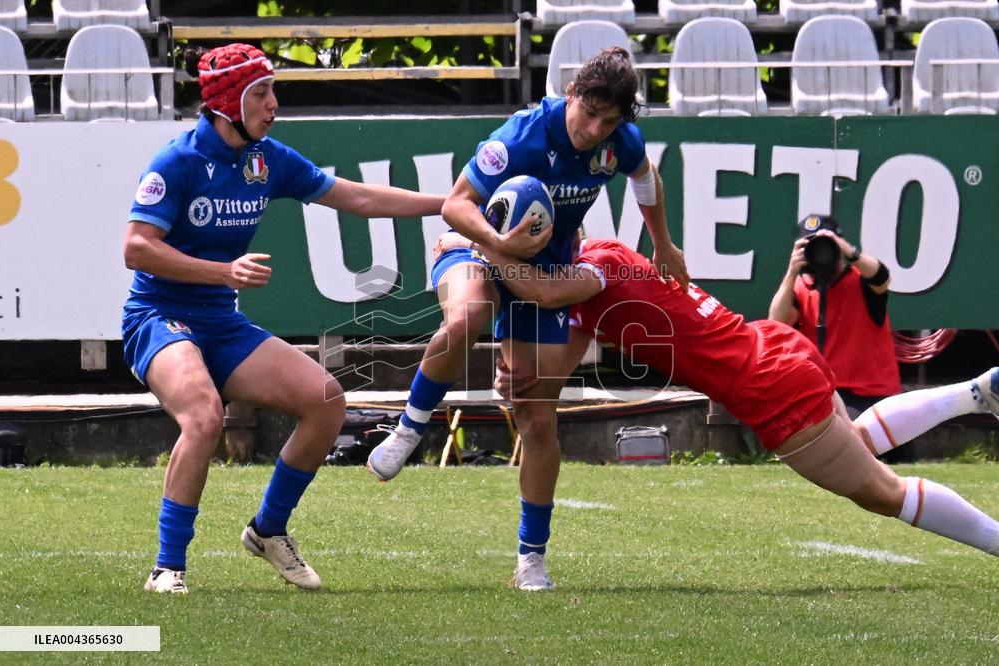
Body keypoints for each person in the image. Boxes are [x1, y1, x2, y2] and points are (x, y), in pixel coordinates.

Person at [463, 234, 999, 568]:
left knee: (883, 492)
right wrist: (525, 382)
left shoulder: (585, 278)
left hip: (765, 384)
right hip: (773, 344)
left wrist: (482, 248)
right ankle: (974, 393)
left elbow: (550, 291)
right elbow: (555, 367)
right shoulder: (606, 255)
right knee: (855, 443)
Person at [123, 43, 445, 594]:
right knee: (203, 416)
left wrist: (451, 204)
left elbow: (359, 198)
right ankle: (167, 568)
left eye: (272, 90)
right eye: (261, 93)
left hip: (221, 325)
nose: (274, 104)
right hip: (159, 316)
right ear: (228, 104)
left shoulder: (266, 159)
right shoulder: (176, 162)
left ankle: (268, 531)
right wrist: (222, 271)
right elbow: (136, 249)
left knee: (325, 401)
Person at [365, 47, 689, 590]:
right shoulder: (522, 135)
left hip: (540, 271)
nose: (594, 129)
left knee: (537, 417)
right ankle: (410, 426)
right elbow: (456, 204)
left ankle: (530, 559)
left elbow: (645, 176)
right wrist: (497, 244)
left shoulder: (618, 139)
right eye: (588, 113)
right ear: (571, 95)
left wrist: (664, 244)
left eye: (608, 121)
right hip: (476, 245)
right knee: (467, 318)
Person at [768, 215, 903, 420]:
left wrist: (848, 250)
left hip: (875, 396)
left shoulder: (860, 281)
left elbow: (882, 277)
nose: (821, 253)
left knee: (853, 432)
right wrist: (791, 272)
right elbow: (776, 324)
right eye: (812, 247)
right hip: (828, 394)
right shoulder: (801, 288)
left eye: (826, 246)